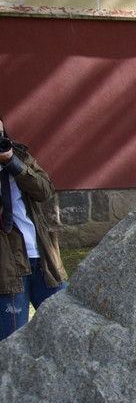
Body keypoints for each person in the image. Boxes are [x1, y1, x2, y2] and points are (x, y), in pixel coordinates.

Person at [0, 114, 67, 340]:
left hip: (42, 259)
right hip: (7, 269)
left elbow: (44, 190)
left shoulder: (18, 157)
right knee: (12, 342)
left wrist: (13, 164)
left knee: (65, 329)